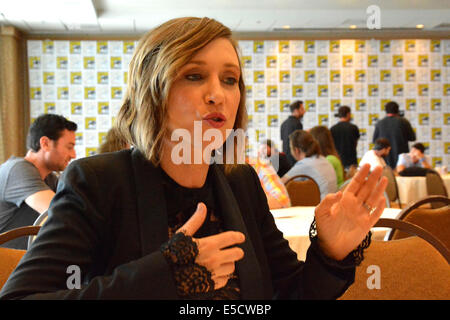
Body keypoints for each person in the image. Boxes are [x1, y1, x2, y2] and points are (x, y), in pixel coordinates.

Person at [0, 17, 388, 300]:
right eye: (194, 75)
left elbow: (289, 293)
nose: (217, 94)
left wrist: (329, 253)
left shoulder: (240, 183)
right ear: (153, 89)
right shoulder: (98, 181)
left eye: (230, 79)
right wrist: (168, 275)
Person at [0, 114, 77, 249]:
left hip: (22, 263)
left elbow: (75, 205)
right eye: (69, 147)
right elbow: (61, 212)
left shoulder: (49, 179)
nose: (73, 155)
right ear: (45, 143)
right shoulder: (17, 170)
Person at [281, 130, 338, 200]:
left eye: (290, 148)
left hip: (319, 207)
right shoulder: (323, 159)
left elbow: (279, 184)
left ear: (296, 150)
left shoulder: (304, 165)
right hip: (333, 204)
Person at [373, 101, 415, 169]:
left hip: (385, 160)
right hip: (402, 161)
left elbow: (375, 141)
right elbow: (412, 138)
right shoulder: (404, 122)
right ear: (397, 110)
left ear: (386, 111)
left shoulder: (379, 123)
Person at [330, 106, 360, 170]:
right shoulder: (353, 128)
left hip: (338, 160)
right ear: (348, 114)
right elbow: (356, 143)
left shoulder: (333, 129)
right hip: (351, 160)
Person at [280, 100, 305, 166]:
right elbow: (300, 143)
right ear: (296, 110)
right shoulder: (298, 124)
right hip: (295, 159)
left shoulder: (283, 124)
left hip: (285, 160)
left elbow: (283, 141)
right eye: (302, 109)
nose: (304, 111)